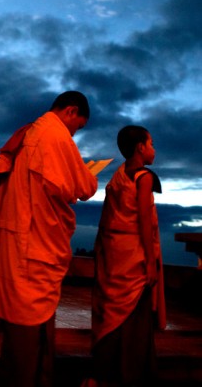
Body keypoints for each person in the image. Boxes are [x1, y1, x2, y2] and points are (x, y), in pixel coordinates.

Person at [0, 91, 98, 387]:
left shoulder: (27, 133)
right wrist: (90, 175)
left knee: (24, 314)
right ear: (71, 112)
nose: (74, 134)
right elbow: (85, 186)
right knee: (29, 317)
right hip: (33, 242)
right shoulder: (55, 135)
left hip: (20, 237)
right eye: (78, 127)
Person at [88, 125, 166, 387]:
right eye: (151, 143)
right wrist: (150, 263)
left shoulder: (117, 176)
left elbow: (108, 220)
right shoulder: (142, 178)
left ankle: (103, 374)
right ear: (140, 148)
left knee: (111, 317)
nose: (154, 149)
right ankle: (129, 375)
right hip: (134, 259)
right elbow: (144, 219)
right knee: (135, 320)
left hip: (115, 255)